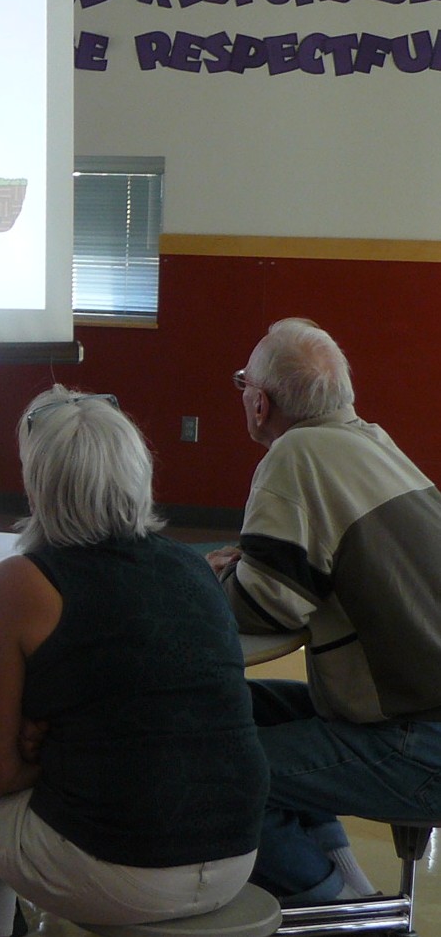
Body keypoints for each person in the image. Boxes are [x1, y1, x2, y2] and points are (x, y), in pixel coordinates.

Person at [0, 386, 268, 937]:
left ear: (40, 485)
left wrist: (45, 749)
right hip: (237, 856)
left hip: (120, 870)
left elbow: (1, 772)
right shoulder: (195, 569)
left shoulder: (17, 585)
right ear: (138, 473)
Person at [208, 318, 441, 904]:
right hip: (414, 708)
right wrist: (261, 562)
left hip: (417, 736)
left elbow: (263, 608)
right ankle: (347, 881)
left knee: (214, 772)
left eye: (242, 384)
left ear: (259, 403)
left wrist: (212, 578)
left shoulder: (295, 454)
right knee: (225, 705)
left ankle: (333, 901)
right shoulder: (371, 440)